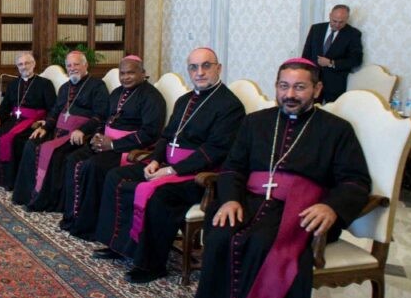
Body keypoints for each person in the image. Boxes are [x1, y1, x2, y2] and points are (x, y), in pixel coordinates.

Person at [182, 58, 370, 298]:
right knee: (220, 231)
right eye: (284, 86)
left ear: (317, 89)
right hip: (251, 200)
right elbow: (232, 168)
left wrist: (332, 207)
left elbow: (356, 181)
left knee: (260, 242)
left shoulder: (336, 130)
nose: (290, 94)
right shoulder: (255, 122)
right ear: (276, 88)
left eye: (300, 87)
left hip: (302, 209)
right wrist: (230, 198)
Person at [91, 48, 245, 282]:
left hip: (198, 174)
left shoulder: (229, 105)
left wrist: (173, 170)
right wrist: (154, 160)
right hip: (167, 165)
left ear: (218, 68)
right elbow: (166, 136)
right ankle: (118, 245)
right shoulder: (185, 100)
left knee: (159, 196)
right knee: (116, 177)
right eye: (194, 67)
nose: (200, 72)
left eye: (206, 66)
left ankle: (151, 264)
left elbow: (216, 150)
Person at [59, 55, 166, 238]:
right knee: (72, 159)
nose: (125, 77)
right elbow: (105, 119)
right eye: (122, 73)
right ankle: (73, 217)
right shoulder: (117, 93)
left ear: (143, 73)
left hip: (127, 149)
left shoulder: (152, 97)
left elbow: (150, 134)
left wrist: (114, 144)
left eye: (131, 73)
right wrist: (97, 136)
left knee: (93, 166)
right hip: (106, 142)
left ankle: (89, 226)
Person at [12, 51, 109, 210]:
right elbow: (55, 112)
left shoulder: (97, 86)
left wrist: (83, 130)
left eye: (76, 64)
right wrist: (45, 128)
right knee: (31, 144)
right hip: (57, 130)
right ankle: (26, 194)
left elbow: (100, 115)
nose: (72, 68)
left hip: (77, 134)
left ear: (85, 65)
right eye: (69, 65)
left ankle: (46, 201)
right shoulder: (65, 87)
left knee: (54, 153)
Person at [0, 52, 56, 190]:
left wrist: (46, 122)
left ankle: (12, 181)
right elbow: (5, 106)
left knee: (14, 141)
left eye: (27, 63)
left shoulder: (45, 84)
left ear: (33, 64)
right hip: (13, 120)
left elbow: (52, 107)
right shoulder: (14, 84)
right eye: (20, 64)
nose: (24, 67)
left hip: (33, 122)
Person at [300, 4, 363, 103]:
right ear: (330, 15)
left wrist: (331, 63)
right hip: (314, 80)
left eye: (341, 22)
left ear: (347, 19)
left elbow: (356, 60)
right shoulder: (316, 29)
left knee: (333, 115)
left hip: (335, 84)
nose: (337, 25)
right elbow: (306, 55)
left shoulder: (353, 34)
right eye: (334, 21)